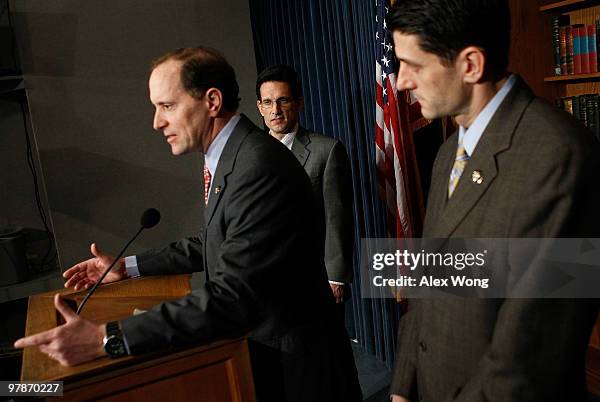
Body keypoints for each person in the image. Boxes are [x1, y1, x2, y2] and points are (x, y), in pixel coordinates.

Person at [15, 47, 362, 402]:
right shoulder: (234, 156)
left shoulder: (257, 165)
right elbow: (212, 241)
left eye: (167, 106)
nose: (156, 121)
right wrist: (128, 267)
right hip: (271, 354)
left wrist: (107, 338)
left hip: (298, 369)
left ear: (212, 101)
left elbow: (231, 298)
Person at [387, 1, 600, 401]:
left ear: (470, 64)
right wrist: (403, 386)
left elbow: (531, 361)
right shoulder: (447, 153)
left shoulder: (566, 158)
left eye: (413, 66)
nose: (401, 82)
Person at [255, 65, 354, 313]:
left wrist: (336, 277)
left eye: (282, 100)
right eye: (268, 102)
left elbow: (336, 217)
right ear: (260, 108)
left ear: (299, 102)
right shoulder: (250, 156)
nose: (275, 110)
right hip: (266, 281)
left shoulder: (326, 150)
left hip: (315, 279)